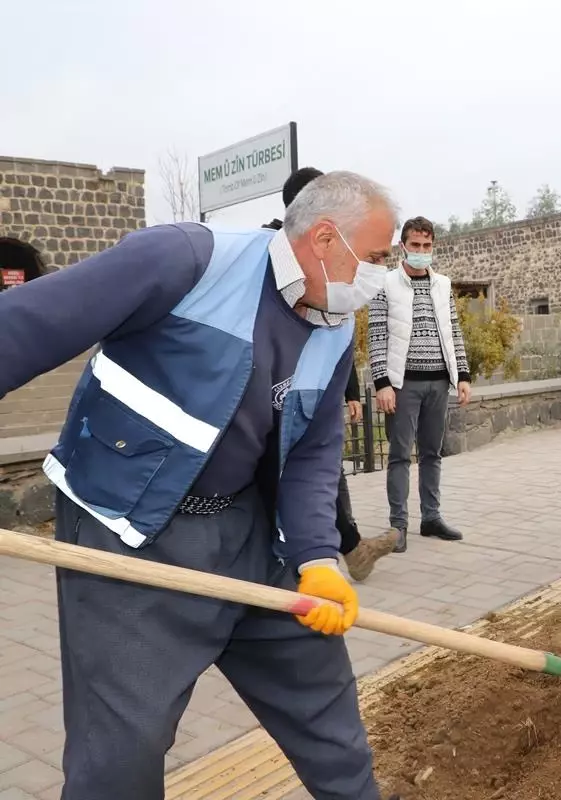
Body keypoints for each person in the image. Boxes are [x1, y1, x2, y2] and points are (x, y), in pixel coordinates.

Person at [0, 172, 401, 798]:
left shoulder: (333, 328)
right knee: (121, 755)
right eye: (378, 258)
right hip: (125, 537)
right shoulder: (186, 261)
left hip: (247, 534)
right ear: (326, 237)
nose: (384, 273)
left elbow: (313, 455)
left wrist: (318, 555)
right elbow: (23, 326)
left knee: (327, 713)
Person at [266, 167, 398, 580]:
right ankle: (344, 546)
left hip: (314, 394)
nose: (375, 270)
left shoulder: (335, 288)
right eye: (374, 258)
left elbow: (335, 330)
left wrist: (350, 392)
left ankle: (339, 547)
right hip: (276, 403)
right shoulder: (264, 256)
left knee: (324, 468)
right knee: (308, 470)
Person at [369, 216, 471, 552]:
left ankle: (432, 517)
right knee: (399, 455)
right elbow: (377, 335)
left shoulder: (443, 284)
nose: (422, 251)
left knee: (432, 453)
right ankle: (398, 526)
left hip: (439, 382)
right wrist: (382, 383)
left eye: (427, 246)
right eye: (415, 245)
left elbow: (454, 330)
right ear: (403, 246)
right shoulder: (385, 284)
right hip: (402, 384)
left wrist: (464, 376)